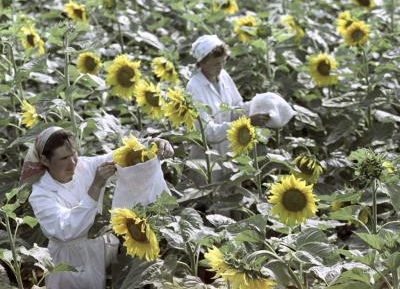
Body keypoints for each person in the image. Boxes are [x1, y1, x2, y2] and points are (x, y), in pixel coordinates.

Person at [22, 126, 173, 289]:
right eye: (64, 158)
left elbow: (120, 156)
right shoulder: (41, 193)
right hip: (69, 262)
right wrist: (95, 186)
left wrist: (151, 144)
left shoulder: (85, 166)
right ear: (45, 160)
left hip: (97, 250)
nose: (72, 163)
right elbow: (65, 229)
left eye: (74, 154)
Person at [186, 35, 269, 182]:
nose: (221, 67)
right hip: (207, 161)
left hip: (230, 152)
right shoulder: (194, 87)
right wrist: (246, 122)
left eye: (223, 62)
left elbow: (237, 108)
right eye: (216, 64)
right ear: (202, 63)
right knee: (209, 196)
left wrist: (260, 102)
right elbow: (208, 133)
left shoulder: (223, 76)